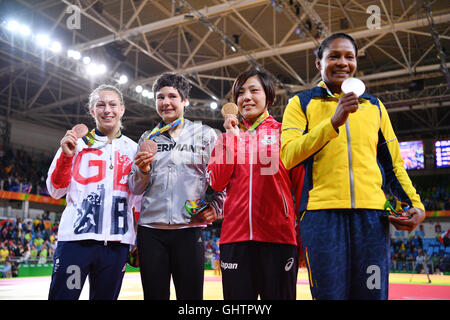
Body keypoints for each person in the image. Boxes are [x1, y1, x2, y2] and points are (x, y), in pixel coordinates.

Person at [280, 32, 425, 300]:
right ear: (318, 63)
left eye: (350, 56)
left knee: (372, 294)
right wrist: (333, 122)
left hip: (372, 218)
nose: (343, 63)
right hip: (321, 215)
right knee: (329, 296)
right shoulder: (300, 103)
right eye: (334, 56)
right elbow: (288, 155)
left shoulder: (375, 107)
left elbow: (393, 164)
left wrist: (415, 204)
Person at [206, 69, 304, 300]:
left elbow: (301, 188)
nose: (246, 97)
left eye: (253, 90)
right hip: (235, 240)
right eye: (240, 93)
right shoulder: (226, 138)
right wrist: (231, 137)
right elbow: (217, 182)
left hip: (279, 239)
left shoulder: (285, 134)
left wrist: (303, 239)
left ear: (268, 97)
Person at [128, 72, 225, 300]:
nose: (166, 102)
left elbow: (224, 180)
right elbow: (134, 188)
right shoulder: (147, 138)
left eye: (172, 96)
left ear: (185, 101)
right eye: (160, 97)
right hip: (151, 232)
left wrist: (218, 206)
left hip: (189, 231)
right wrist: (143, 171)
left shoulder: (206, 135)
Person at [46, 84, 139, 300]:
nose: (107, 110)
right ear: (92, 111)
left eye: (113, 104)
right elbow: (56, 190)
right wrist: (66, 157)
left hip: (116, 245)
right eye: (101, 105)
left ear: (122, 109)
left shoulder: (133, 149)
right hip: (76, 243)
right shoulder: (75, 145)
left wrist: (139, 239)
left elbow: (140, 200)